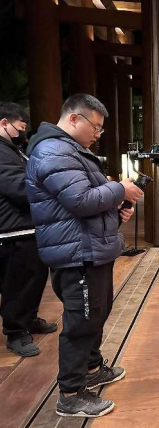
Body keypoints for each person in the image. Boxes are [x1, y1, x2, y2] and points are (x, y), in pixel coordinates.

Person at [26, 94, 144, 418]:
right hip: (77, 253)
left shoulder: (71, 150)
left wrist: (115, 211)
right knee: (81, 321)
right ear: (74, 118)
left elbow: (83, 201)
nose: (98, 133)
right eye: (96, 126)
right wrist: (120, 189)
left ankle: (91, 369)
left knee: (96, 313)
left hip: (89, 248)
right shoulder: (53, 151)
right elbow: (80, 200)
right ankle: (70, 394)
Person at [0, 102, 56, 357]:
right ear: (4, 123)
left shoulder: (12, 150)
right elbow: (18, 187)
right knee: (18, 283)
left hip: (27, 226)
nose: (23, 132)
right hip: (13, 228)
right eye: (20, 126)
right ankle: (16, 331)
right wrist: (50, 187)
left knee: (34, 278)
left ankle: (29, 319)